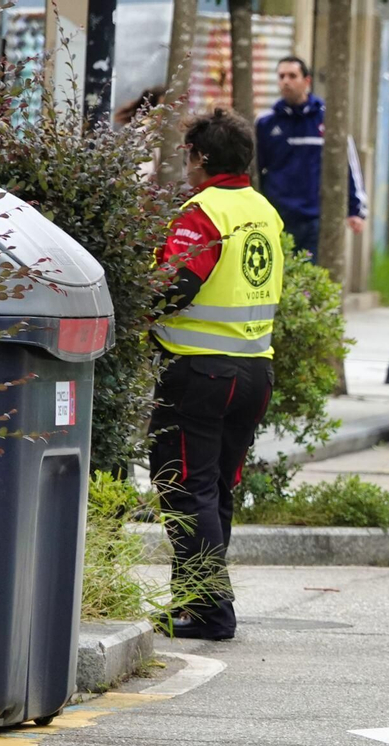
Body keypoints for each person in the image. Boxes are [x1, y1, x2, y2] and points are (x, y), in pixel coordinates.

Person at [150, 108, 285, 641]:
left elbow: (175, 285)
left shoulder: (202, 212)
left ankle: (210, 609)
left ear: (201, 158)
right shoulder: (264, 212)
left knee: (186, 488)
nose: (185, 166)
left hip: (201, 372)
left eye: (187, 156)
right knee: (215, 490)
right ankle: (195, 603)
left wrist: (137, 302)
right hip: (253, 371)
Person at [254, 56, 366, 258]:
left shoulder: (328, 120)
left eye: (292, 76)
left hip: (314, 218)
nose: (285, 81)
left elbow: (348, 165)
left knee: (308, 281)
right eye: (281, 76)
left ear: (307, 81)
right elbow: (255, 168)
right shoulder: (266, 123)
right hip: (276, 217)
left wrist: (355, 210)